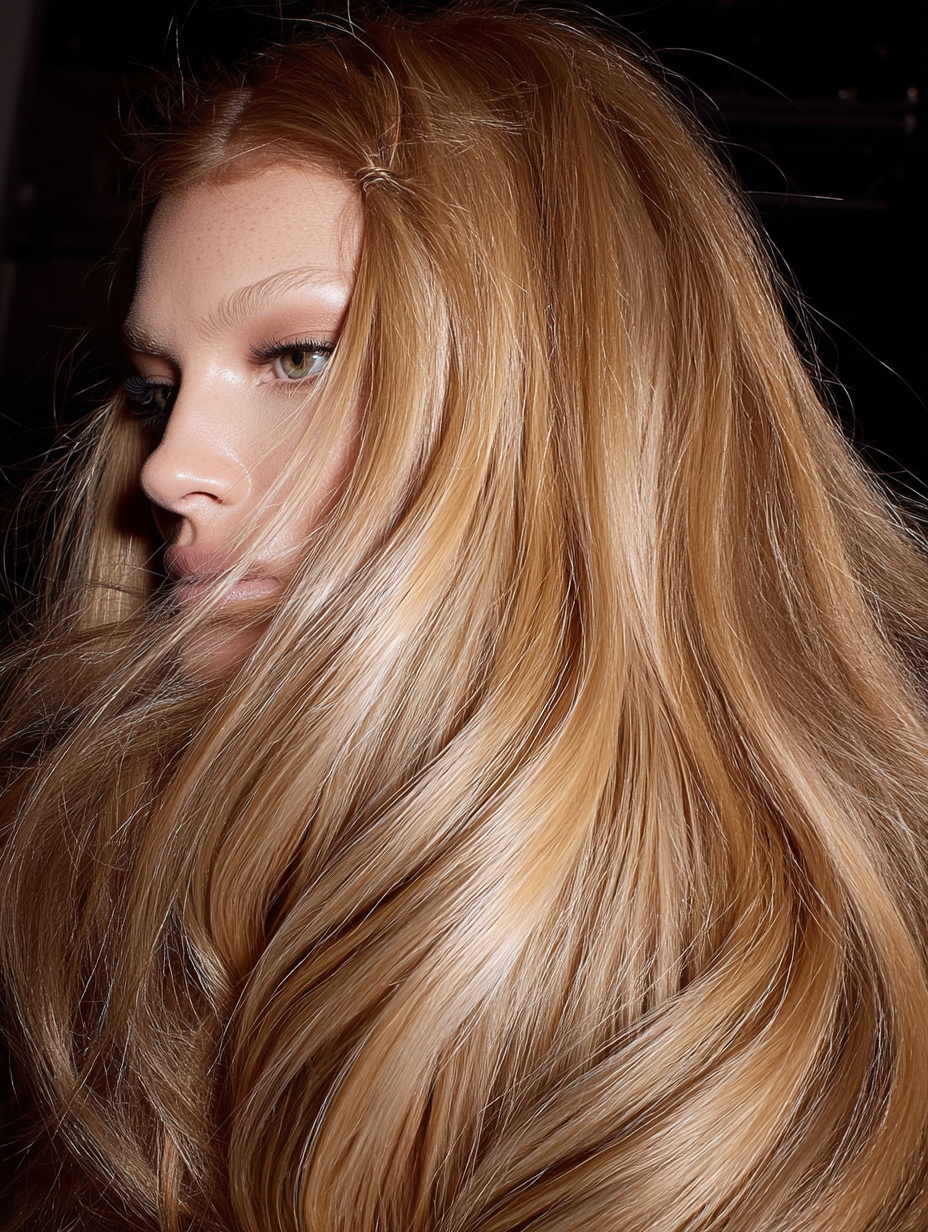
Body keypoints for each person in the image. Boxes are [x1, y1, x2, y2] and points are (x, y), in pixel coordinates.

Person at [2, 4, 928, 1229]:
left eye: (296, 357)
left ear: (567, 391)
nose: (171, 466)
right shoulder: (109, 889)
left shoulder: (756, 1033)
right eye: (154, 387)